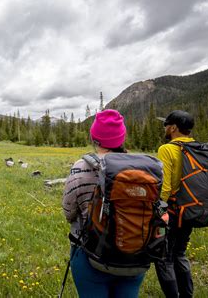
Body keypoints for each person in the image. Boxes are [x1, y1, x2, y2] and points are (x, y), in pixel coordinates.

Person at [62, 109, 145, 297]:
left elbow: (68, 211)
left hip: (89, 253)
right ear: (122, 136)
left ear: (94, 137)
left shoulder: (81, 167)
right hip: (134, 253)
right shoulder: (144, 167)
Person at [155, 110, 195, 298]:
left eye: (166, 124)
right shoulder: (197, 147)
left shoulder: (167, 149)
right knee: (180, 253)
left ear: (173, 128)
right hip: (191, 210)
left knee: (164, 257)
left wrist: (158, 211)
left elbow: (165, 187)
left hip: (171, 211)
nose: (164, 128)